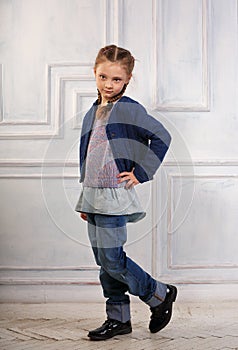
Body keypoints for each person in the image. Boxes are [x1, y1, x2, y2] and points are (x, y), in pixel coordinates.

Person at [75, 44, 177, 341]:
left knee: (112, 259)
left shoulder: (129, 108)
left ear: (128, 80)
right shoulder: (93, 111)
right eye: (103, 77)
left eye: (116, 79)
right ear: (94, 73)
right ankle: (118, 319)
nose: (109, 84)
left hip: (114, 196)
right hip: (94, 196)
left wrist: (141, 172)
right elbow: (91, 155)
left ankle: (159, 294)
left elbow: (162, 136)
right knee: (104, 263)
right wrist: (87, 199)